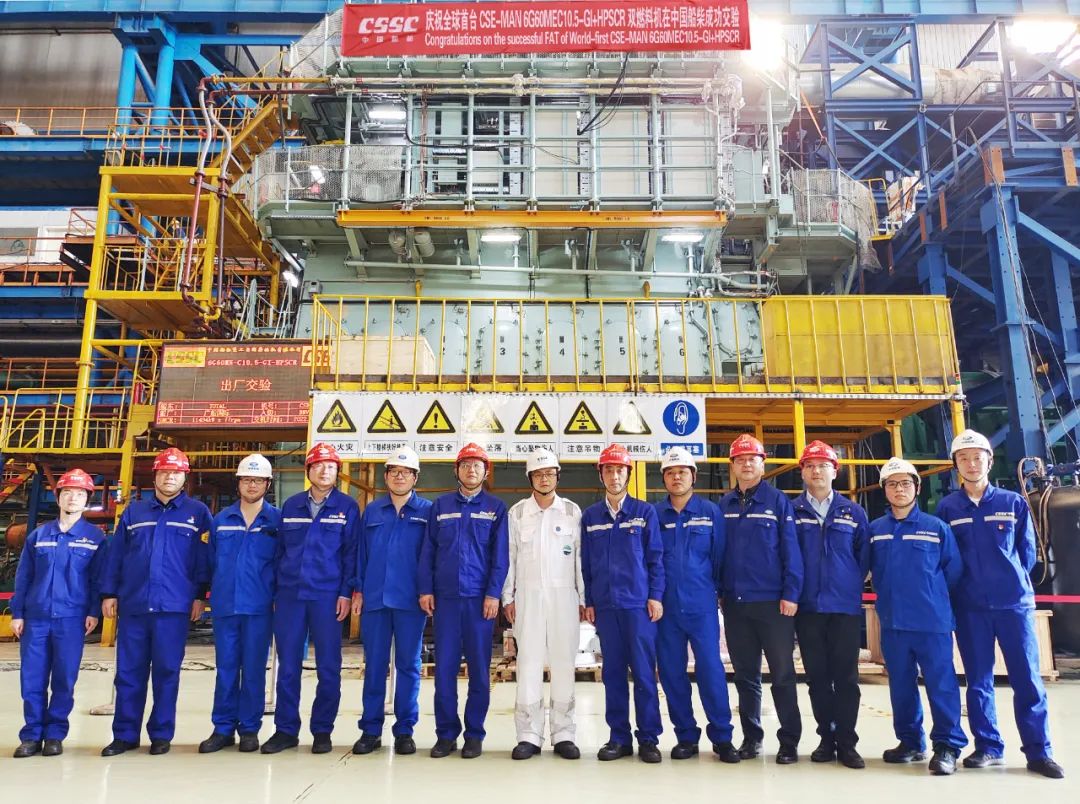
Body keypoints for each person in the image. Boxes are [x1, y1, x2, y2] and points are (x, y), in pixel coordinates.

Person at [937, 430, 1065, 779]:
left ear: (989, 462)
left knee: (1027, 680)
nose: (971, 464)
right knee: (978, 681)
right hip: (970, 607)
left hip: (1013, 606)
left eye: (977, 457)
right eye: (964, 458)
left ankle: (1039, 752)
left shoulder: (1012, 503)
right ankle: (989, 747)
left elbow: (1026, 553)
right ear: (956, 465)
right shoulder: (948, 508)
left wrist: (1010, 585)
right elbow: (947, 558)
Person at [101, 447, 213, 756]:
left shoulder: (197, 513)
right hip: (135, 605)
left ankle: (161, 735)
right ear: (155, 476)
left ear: (185, 478)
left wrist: (200, 596)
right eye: (164, 472)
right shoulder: (134, 512)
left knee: (167, 672)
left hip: (173, 607)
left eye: (176, 473)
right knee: (128, 673)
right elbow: (116, 554)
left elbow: (203, 559)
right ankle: (125, 735)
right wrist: (109, 593)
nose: (169, 477)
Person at [870, 457, 967, 775]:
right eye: (892, 484)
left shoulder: (936, 528)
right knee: (901, 685)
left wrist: (931, 596)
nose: (899, 489)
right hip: (894, 622)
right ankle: (910, 742)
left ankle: (947, 746)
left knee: (941, 685)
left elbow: (952, 571)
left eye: (905, 483)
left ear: (917, 487)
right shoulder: (876, 531)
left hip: (931, 622)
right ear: (884, 490)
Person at [261, 442, 359, 755]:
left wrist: (345, 592)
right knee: (287, 666)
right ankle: (286, 730)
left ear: (337, 472)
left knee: (328, 667)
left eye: (330, 466)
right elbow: (279, 553)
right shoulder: (291, 506)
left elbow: (351, 554)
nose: (324, 470)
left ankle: (322, 730)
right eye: (318, 465)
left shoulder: (347, 507)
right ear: (308, 470)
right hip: (290, 596)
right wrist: (276, 592)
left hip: (327, 597)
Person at [419, 443, 509, 759]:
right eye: (466, 465)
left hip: (479, 603)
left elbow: (500, 557)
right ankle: (446, 735)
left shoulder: (496, 508)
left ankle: (474, 734)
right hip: (445, 601)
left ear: (486, 472)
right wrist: (426, 590)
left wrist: (493, 594)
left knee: (479, 672)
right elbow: (428, 551)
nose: (471, 470)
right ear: (456, 471)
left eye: (477, 465)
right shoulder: (440, 506)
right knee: (444, 671)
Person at [719, 433, 803, 764]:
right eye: (740, 460)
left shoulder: (778, 502)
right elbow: (717, 554)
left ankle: (789, 741)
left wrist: (791, 593)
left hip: (773, 605)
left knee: (782, 675)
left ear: (762, 464)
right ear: (733, 466)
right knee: (745, 676)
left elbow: (791, 550)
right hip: (736, 604)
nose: (746, 465)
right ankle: (752, 738)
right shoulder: (724, 505)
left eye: (752, 459)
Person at [11, 469, 105, 758]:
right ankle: (31, 735)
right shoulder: (38, 536)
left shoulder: (95, 538)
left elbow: (97, 580)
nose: (73, 498)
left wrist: (93, 612)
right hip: (36, 618)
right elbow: (24, 577)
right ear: (58, 497)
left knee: (64, 679)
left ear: (87, 500)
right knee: (32, 679)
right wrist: (17, 613)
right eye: (68, 493)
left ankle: (55, 734)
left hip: (71, 619)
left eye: (80, 494)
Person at [654, 447, 740, 764]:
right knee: (671, 672)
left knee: (711, 670)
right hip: (665, 608)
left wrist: (713, 591)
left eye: (682, 472)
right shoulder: (655, 515)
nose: (676, 477)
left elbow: (720, 557)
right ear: (664, 478)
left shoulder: (710, 512)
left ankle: (722, 737)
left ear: (693, 476)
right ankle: (686, 736)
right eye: (670, 472)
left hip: (701, 604)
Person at [581, 443, 665, 764]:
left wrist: (655, 596)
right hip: (606, 608)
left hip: (638, 607)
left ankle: (649, 739)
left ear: (628, 474)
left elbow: (656, 558)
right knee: (613, 674)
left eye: (619, 470)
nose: (614, 476)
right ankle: (619, 738)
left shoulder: (644, 513)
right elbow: (586, 565)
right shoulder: (591, 517)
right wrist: (590, 600)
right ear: (601, 474)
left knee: (643, 673)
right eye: (609, 470)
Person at [792, 440, 870, 769]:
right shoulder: (793, 512)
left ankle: (847, 743)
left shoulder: (853, 512)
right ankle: (826, 738)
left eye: (823, 465)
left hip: (844, 608)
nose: (816, 471)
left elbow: (863, 558)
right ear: (802, 473)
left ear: (835, 472)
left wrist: (847, 584)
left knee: (847, 678)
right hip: (808, 608)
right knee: (818, 678)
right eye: (810, 466)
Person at [502, 449, 584, 761]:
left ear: (557, 476)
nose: (544, 478)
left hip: (565, 597)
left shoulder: (572, 511)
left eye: (549, 473)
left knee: (564, 664)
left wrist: (584, 598)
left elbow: (580, 560)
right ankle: (528, 735)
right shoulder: (518, 513)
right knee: (528, 664)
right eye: (538, 474)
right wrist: (508, 597)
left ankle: (564, 734)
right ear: (530, 478)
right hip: (529, 596)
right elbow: (509, 557)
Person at [352, 447, 431, 757]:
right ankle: (370, 730)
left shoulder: (427, 511)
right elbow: (360, 553)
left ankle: (405, 730)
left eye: (406, 472)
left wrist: (427, 591)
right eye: (394, 471)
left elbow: (430, 556)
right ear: (385, 477)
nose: (400, 477)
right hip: (375, 599)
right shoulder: (372, 511)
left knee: (409, 666)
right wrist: (358, 590)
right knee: (374, 665)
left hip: (411, 600)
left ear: (415, 478)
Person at [199, 454, 281, 754]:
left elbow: (283, 563)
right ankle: (222, 728)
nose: (252, 485)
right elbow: (209, 563)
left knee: (254, 669)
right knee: (226, 669)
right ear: (238, 483)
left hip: (260, 607)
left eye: (258, 480)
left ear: (267, 484)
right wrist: (203, 596)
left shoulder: (276, 521)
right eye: (247, 479)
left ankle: (249, 729)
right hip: (225, 606)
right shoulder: (221, 520)